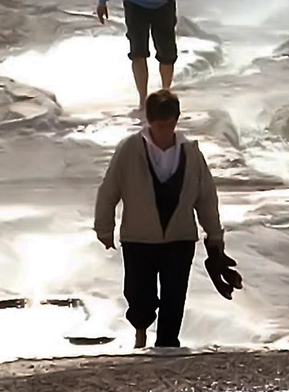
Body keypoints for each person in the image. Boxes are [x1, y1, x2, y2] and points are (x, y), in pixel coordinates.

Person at [94, 89, 236, 350]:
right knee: (139, 295)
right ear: (149, 121)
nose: (164, 130)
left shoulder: (191, 154)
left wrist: (215, 236)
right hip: (138, 236)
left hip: (180, 237)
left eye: (169, 124)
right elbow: (110, 188)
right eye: (159, 125)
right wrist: (104, 227)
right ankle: (141, 332)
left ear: (176, 120)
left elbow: (206, 197)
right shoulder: (130, 149)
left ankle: (168, 345)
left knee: (174, 295)